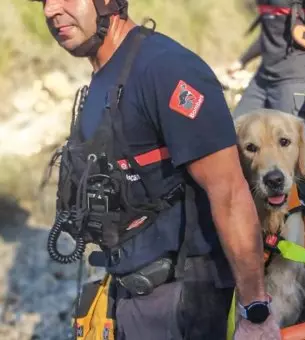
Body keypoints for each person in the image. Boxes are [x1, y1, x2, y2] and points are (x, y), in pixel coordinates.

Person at [36, 0, 280, 339]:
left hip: (183, 301)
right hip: (131, 295)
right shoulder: (105, 75)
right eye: (44, 1)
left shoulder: (166, 69)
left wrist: (255, 310)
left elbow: (230, 192)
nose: (50, 10)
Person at [225, 0, 305, 143]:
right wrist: (242, 61)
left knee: (286, 154)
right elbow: (275, 30)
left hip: (298, 80)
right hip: (263, 79)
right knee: (234, 140)